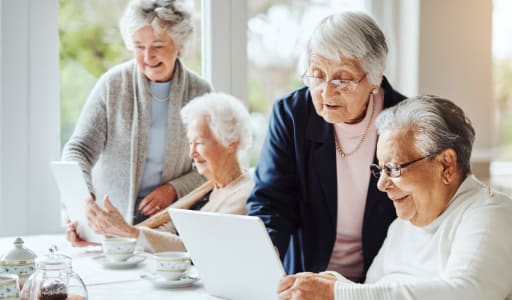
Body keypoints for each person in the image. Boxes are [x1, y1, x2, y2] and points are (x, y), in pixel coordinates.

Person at [277, 96, 512, 300]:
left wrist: (338, 293)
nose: (381, 184)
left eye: (394, 169)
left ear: (446, 165)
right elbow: (370, 292)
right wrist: (329, 283)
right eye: (379, 169)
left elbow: (465, 293)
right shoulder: (402, 226)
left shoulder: (491, 213)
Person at [246, 11, 407, 282]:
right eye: (317, 76)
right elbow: (271, 201)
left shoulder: (406, 120)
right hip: (308, 276)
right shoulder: (292, 115)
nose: (326, 92)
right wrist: (267, 255)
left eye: (342, 79)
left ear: (375, 77)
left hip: (382, 281)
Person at [62, 0, 212, 225]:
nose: (148, 56)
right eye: (139, 47)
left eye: (158, 46)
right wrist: (84, 201)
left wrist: (174, 189)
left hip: (171, 220)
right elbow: (78, 149)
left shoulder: (200, 92)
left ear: (179, 44)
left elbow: (213, 165)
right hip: (111, 218)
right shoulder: (112, 85)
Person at [67, 92, 254, 253]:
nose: (192, 153)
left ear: (231, 142)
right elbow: (163, 232)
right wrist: (101, 236)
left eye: (199, 143)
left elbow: (199, 248)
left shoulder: (246, 194)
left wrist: (128, 232)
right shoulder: (207, 188)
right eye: (190, 143)